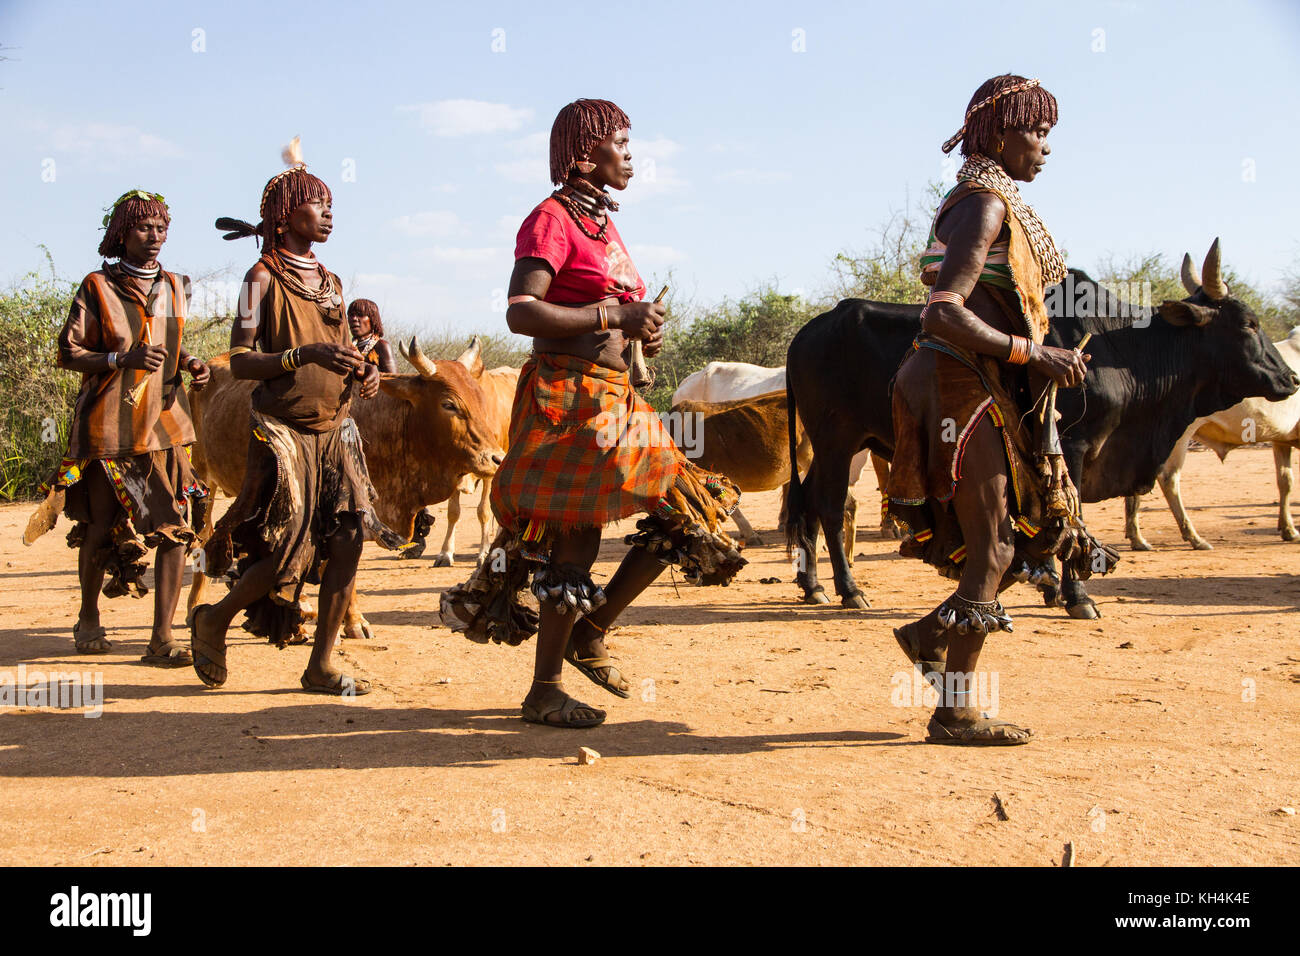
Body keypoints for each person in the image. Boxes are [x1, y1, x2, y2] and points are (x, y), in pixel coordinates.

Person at [441, 99, 745, 728]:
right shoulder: (550, 220)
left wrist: (642, 335)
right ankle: (544, 689)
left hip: (616, 395)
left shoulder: (603, 226)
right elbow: (522, 311)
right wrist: (613, 317)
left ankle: (592, 629)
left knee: (686, 513)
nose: (632, 156)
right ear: (585, 155)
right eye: (623, 144)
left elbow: (617, 307)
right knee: (575, 536)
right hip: (566, 397)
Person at [886, 75, 1117, 745]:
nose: (1045, 147)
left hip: (969, 379)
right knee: (992, 545)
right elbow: (943, 309)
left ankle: (930, 637)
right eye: (1036, 132)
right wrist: (1031, 353)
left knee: (1023, 533)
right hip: (957, 382)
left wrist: (1037, 359)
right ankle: (955, 712)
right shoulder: (985, 205)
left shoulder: (990, 204)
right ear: (998, 135)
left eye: (1049, 134)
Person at [191, 163, 405, 694]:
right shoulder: (258, 278)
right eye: (318, 204)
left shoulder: (330, 282)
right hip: (282, 431)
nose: (330, 212)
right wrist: (300, 354)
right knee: (290, 549)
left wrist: (366, 369)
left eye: (331, 203)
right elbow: (240, 361)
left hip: (336, 430)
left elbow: (343, 350)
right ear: (287, 217)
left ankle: (321, 664)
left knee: (350, 538)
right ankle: (214, 618)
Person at [37, 190, 211, 663]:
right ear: (121, 234)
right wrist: (120, 358)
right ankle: (88, 616)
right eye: (143, 228)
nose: (154, 237)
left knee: (175, 528)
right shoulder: (97, 285)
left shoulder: (177, 285)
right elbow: (68, 352)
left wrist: (192, 362)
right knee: (98, 528)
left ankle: (162, 638)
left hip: (165, 427)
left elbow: (172, 347)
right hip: (109, 428)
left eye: (161, 229)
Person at [347, 298, 396, 372]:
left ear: (373, 319)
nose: (354, 318)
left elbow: (393, 380)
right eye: (351, 315)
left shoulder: (382, 346)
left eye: (360, 314)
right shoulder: (347, 347)